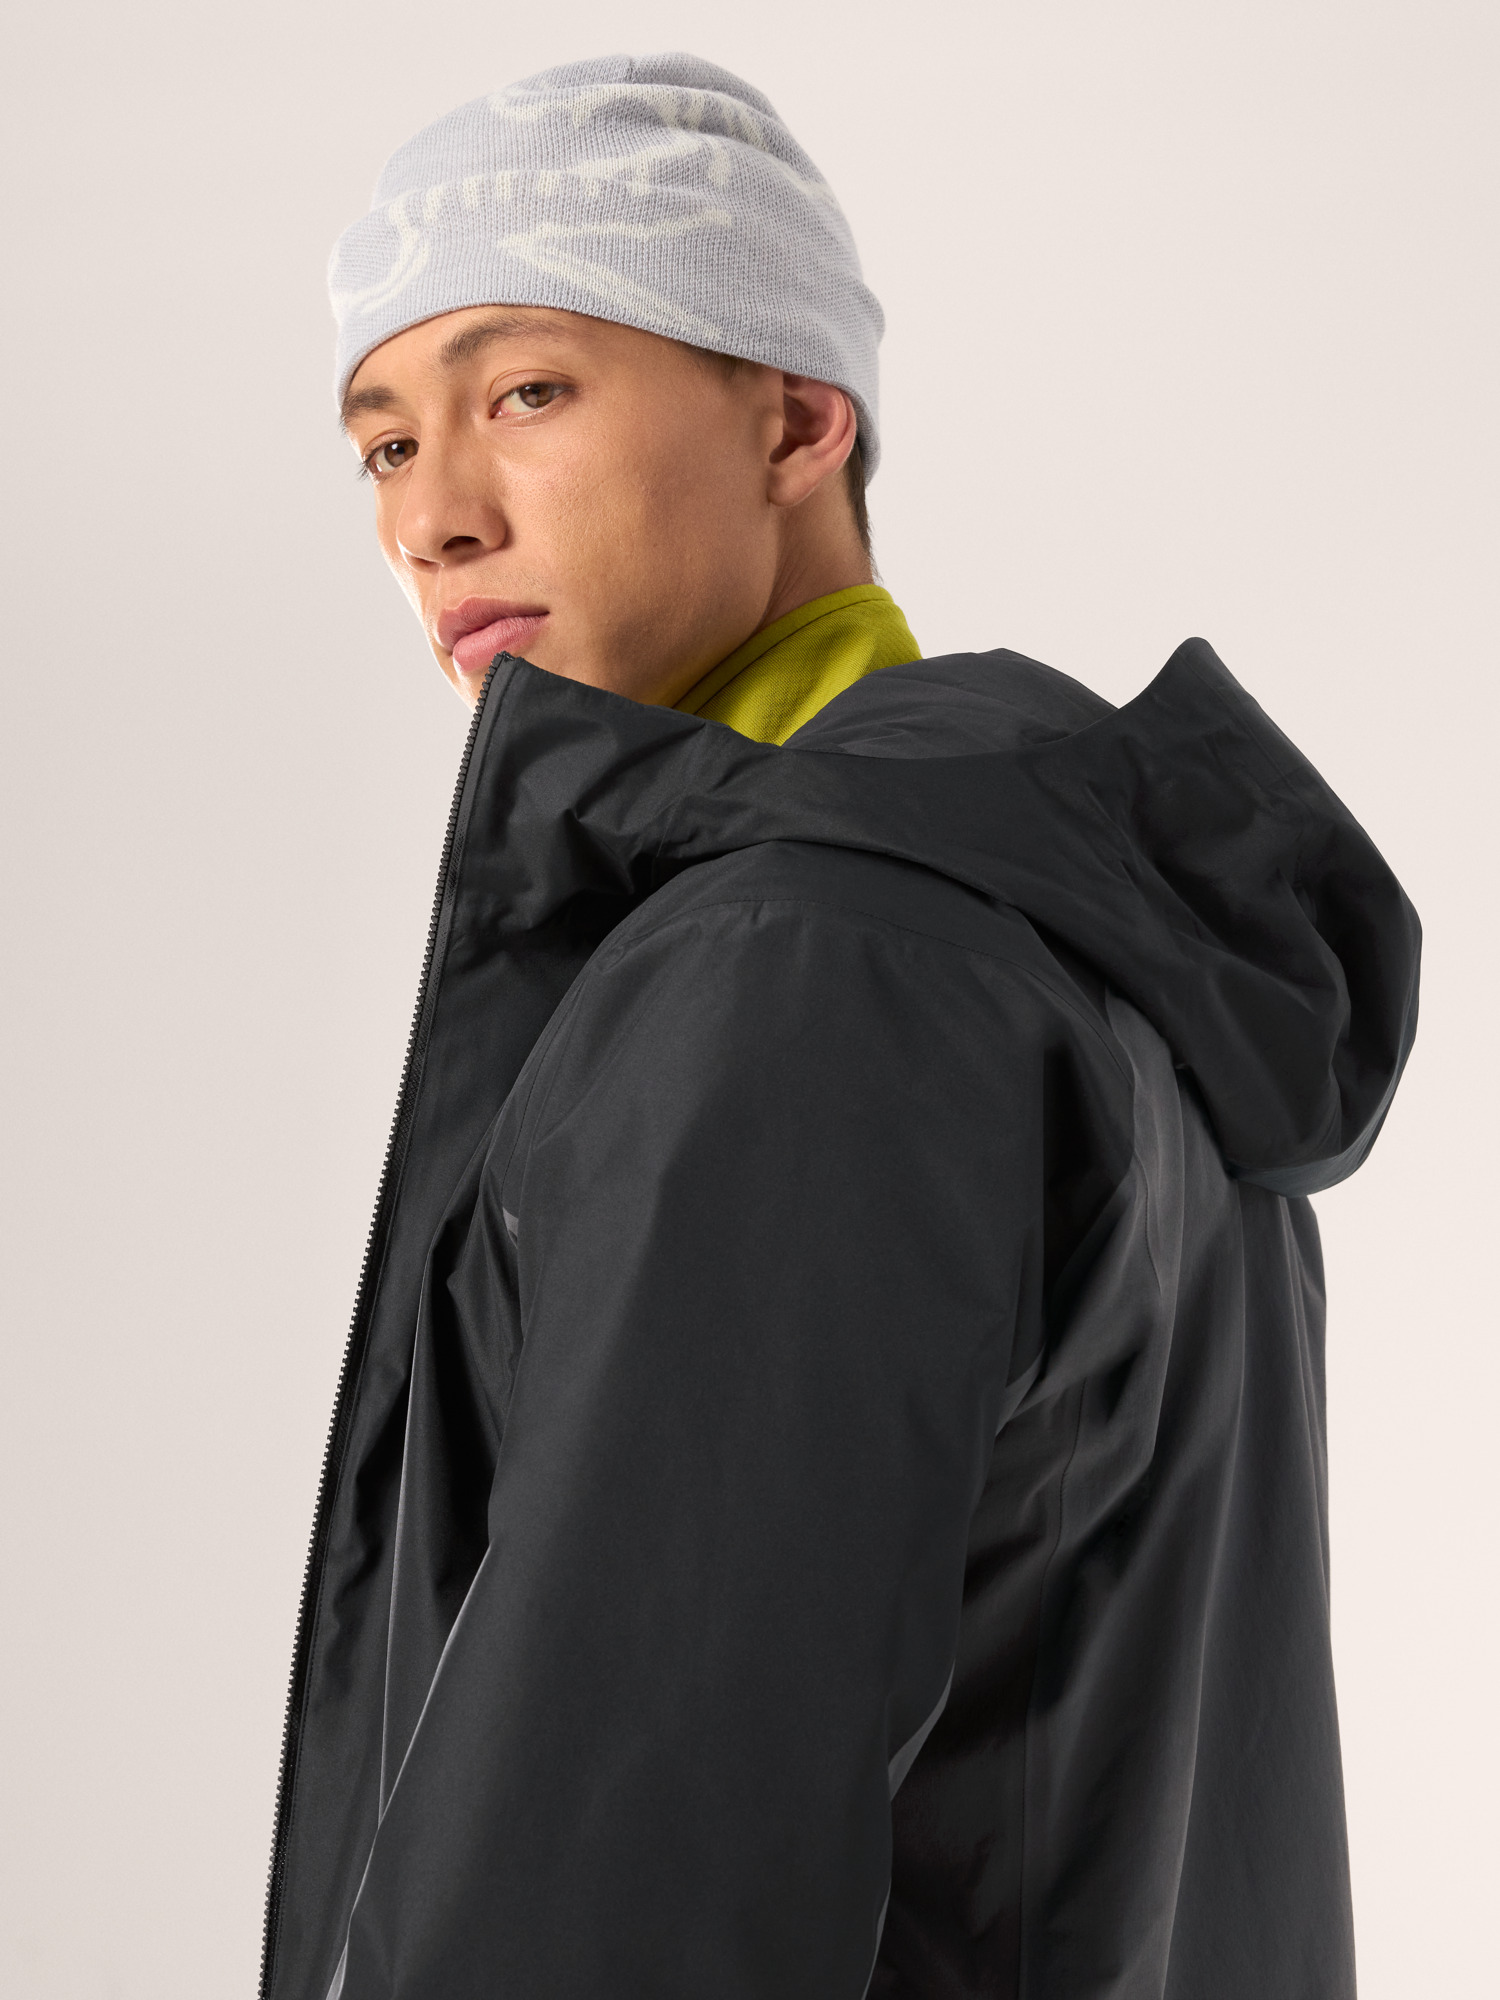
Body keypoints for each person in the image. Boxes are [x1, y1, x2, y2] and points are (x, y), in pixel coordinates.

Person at [262, 54, 1420, 2000]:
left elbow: (619, 1902)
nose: (432, 519)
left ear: (797, 418)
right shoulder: (1078, 951)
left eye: (525, 391)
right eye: (382, 445)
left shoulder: (810, 964)